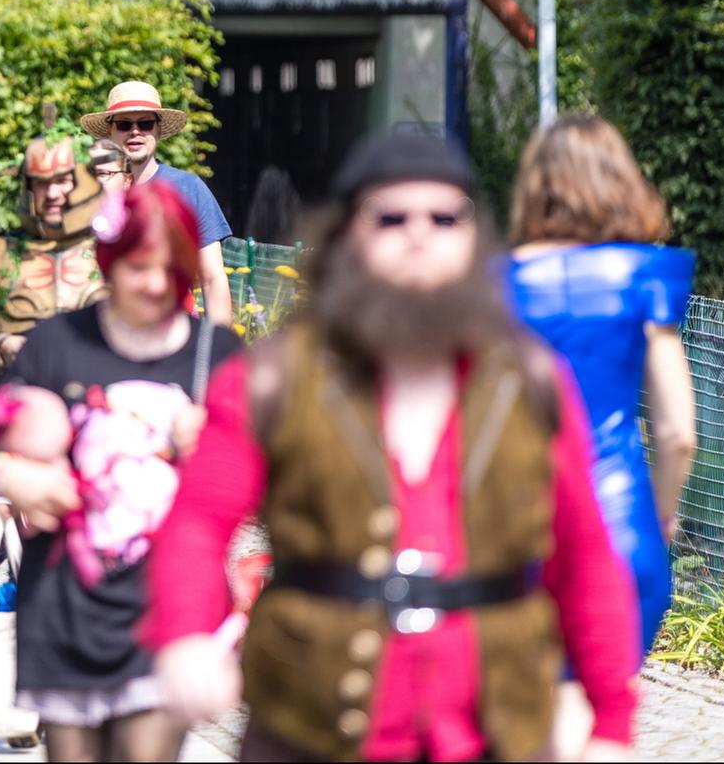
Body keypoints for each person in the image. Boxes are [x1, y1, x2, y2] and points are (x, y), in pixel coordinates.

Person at [146, 131, 639, 761]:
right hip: (307, 731)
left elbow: (585, 554)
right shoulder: (271, 378)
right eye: (392, 217)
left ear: (472, 236)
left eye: (444, 217)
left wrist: (612, 723)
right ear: (350, 234)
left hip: (495, 735)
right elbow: (195, 522)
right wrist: (186, 636)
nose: (419, 233)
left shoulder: (531, 381)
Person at [0, 182, 241, 761]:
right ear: (109, 261)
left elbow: (259, 477)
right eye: (137, 267)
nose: (154, 284)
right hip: (65, 604)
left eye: (169, 268)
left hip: (168, 604)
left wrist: (211, 451)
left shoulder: (217, 353)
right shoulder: (57, 343)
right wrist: (16, 480)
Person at [507, 114, 696, 666]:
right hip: (622, 527)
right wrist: (659, 518)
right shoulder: (646, 275)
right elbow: (679, 434)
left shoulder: (496, 284)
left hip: (523, 529)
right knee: (601, 716)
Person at [82, 82, 234, 325]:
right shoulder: (87, 192)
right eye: (124, 124)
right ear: (110, 131)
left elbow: (212, 278)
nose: (135, 132)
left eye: (145, 123)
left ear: (159, 130)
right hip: (104, 337)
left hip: (174, 336)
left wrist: (221, 350)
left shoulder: (188, 188)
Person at [0, 133, 120, 371]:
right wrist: (1, 345)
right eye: (41, 183)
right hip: (17, 388)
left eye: (62, 181)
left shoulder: (117, 251)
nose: (52, 194)